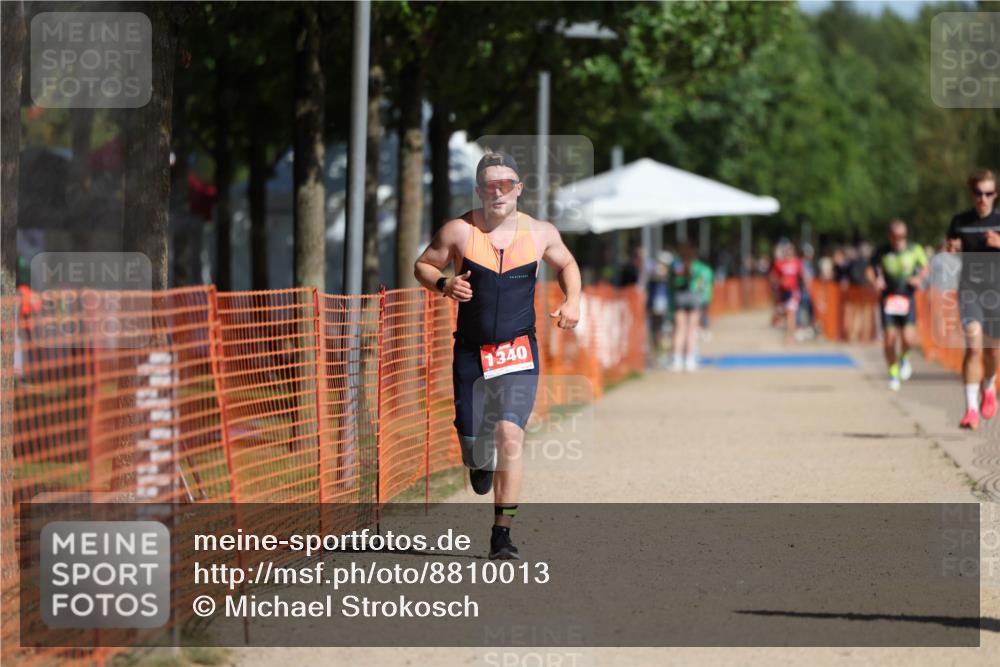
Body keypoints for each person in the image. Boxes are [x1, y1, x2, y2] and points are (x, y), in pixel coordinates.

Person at [413, 152, 581, 558]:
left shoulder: (540, 233)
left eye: (506, 183)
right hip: (470, 352)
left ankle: (501, 534)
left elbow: (568, 264)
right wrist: (444, 284)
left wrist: (573, 299)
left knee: (510, 436)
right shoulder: (459, 231)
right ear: (479, 189)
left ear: (518, 189)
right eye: (489, 184)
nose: (498, 191)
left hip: (518, 351)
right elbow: (423, 265)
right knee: (474, 446)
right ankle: (478, 459)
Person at [947, 168, 1000, 430]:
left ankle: (989, 386)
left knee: (992, 351)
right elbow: (949, 248)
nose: (983, 198)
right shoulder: (959, 221)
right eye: (979, 193)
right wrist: (951, 249)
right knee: (974, 346)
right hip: (970, 291)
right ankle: (971, 410)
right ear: (972, 194)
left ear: (995, 194)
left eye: (989, 193)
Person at [865, 220, 929, 392]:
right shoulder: (881, 251)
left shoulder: (914, 249)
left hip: (907, 298)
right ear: (890, 236)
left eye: (903, 236)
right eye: (896, 236)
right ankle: (893, 372)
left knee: (908, 338)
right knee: (890, 338)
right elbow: (869, 270)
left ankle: (904, 357)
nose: (899, 239)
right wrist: (875, 281)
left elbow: (925, 267)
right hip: (888, 299)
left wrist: (918, 279)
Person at [668, 243, 711, 372]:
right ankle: (689, 360)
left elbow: (672, 281)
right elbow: (705, 282)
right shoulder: (700, 267)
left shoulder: (677, 265)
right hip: (694, 297)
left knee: (680, 329)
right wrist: (705, 300)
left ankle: (677, 359)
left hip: (680, 297)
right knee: (691, 329)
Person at [769, 243, 804, 344]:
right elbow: (773, 276)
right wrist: (779, 283)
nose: (789, 252)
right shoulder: (779, 264)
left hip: (793, 292)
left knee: (791, 313)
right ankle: (785, 328)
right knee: (783, 313)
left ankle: (790, 336)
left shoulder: (797, 262)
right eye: (787, 250)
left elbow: (802, 276)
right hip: (783, 293)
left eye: (791, 250)